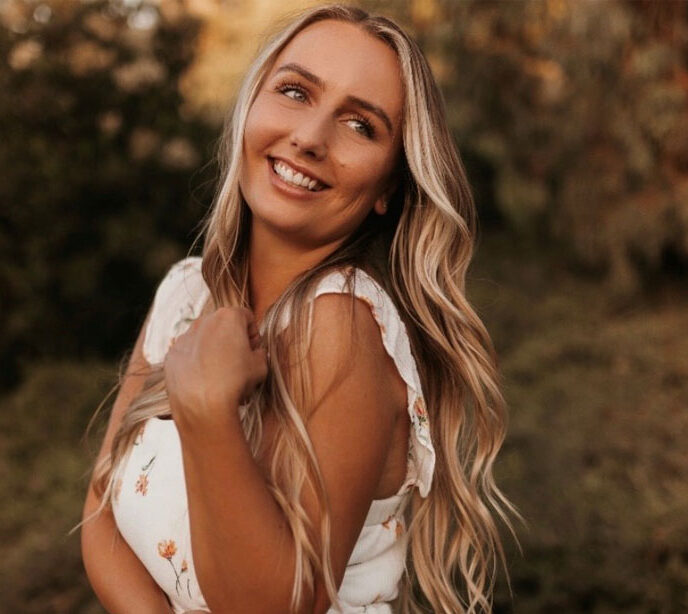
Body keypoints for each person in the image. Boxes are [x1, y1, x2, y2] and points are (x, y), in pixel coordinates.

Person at [77, 4, 522, 613]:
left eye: (361, 126)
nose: (310, 138)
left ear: (390, 187)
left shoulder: (344, 323)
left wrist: (208, 413)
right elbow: (99, 517)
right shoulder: (185, 294)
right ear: (250, 108)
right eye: (294, 91)